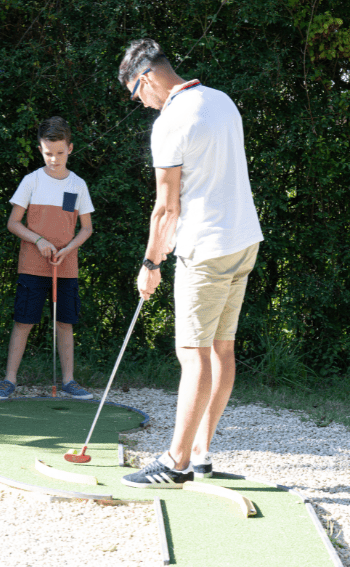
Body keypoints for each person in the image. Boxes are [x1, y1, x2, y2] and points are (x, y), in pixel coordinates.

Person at [117, 39, 263, 487]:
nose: (140, 103)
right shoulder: (221, 100)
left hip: (206, 247)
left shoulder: (171, 121)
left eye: (135, 93)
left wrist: (150, 262)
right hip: (243, 241)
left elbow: (166, 208)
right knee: (222, 348)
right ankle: (200, 451)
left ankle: (175, 462)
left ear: (145, 78)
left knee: (193, 354)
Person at [0, 117, 95, 400]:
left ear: (70, 148)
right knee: (24, 321)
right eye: (49, 153)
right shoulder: (31, 181)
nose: (54, 158)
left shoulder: (78, 185)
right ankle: (9, 380)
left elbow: (87, 228)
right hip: (32, 265)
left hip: (66, 267)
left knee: (65, 323)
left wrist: (69, 248)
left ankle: (69, 381)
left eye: (60, 152)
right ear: (40, 150)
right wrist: (39, 240)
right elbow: (13, 222)